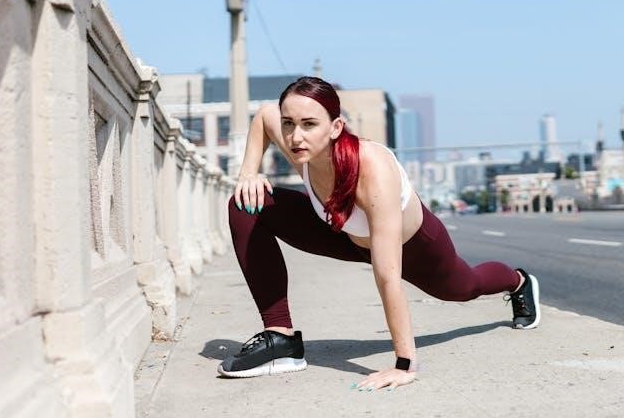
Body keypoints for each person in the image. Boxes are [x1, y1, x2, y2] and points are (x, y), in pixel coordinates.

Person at [219, 76, 540, 390]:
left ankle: (518, 281)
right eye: (289, 123)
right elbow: (264, 116)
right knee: (245, 204)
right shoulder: (301, 147)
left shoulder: (372, 168)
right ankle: (280, 339)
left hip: (414, 246)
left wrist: (404, 363)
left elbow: (388, 276)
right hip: (343, 233)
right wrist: (248, 174)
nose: (295, 136)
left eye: (309, 124)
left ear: (335, 127)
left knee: (465, 286)